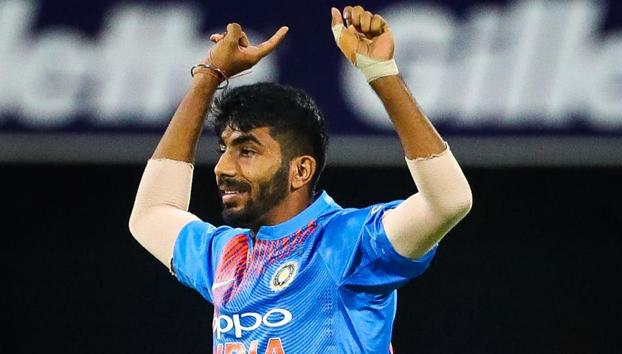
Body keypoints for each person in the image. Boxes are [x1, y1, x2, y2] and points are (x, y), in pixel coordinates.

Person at [129, 5, 473, 353]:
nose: (223, 168)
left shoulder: (347, 243)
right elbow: (151, 213)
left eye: (247, 151)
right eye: (223, 149)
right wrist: (207, 77)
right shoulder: (225, 256)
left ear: (301, 171)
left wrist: (381, 73)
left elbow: (448, 201)